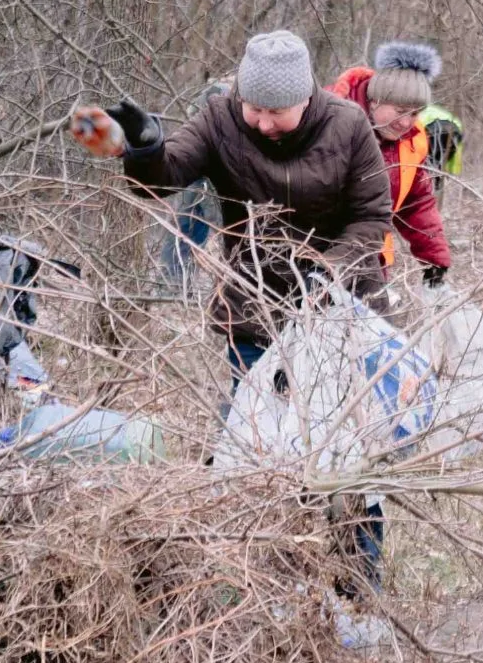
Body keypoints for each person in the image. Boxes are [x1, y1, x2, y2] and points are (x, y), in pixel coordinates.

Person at [69, 30, 394, 595]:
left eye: (277, 112)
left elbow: (372, 218)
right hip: (256, 314)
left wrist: (328, 269)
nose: (263, 122)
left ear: (307, 98)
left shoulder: (348, 126)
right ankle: (252, 589)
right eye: (255, 108)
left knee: (347, 462)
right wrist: (141, 149)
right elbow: (165, 178)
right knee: (254, 453)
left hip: (340, 318)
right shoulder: (221, 120)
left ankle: (357, 594)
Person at [330, 42, 453, 288]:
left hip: (372, 261)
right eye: (400, 110)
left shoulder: (414, 142)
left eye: (415, 113)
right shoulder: (330, 121)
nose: (406, 122)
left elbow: (417, 204)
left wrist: (434, 259)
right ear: (375, 100)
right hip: (319, 257)